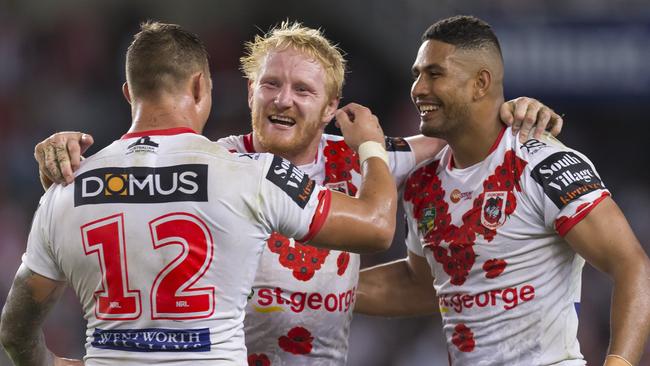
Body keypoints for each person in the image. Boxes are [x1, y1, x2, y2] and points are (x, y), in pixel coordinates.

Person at [31, 21, 564, 365]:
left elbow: (461, 131)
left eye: (303, 89)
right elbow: (142, 167)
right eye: (270, 84)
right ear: (247, 91)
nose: (283, 99)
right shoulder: (221, 164)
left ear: (331, 107)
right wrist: (61, 146)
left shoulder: (359, 153)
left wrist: (514, 111)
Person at [0, 21, 401, 366]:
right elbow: (378, 226)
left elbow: (15, 331)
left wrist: (52, 362)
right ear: (200, 86)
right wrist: (370, 146)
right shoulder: (252, 175)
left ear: (128, 93)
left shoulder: (65, 189)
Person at [355, 15, 650, 366]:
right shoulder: (422, 183)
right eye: (417, 74)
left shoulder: (544, 164)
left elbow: (631, 264)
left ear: (481, 83)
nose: (418, 88)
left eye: (434, 74)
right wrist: (315, 286)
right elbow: (421, 284)